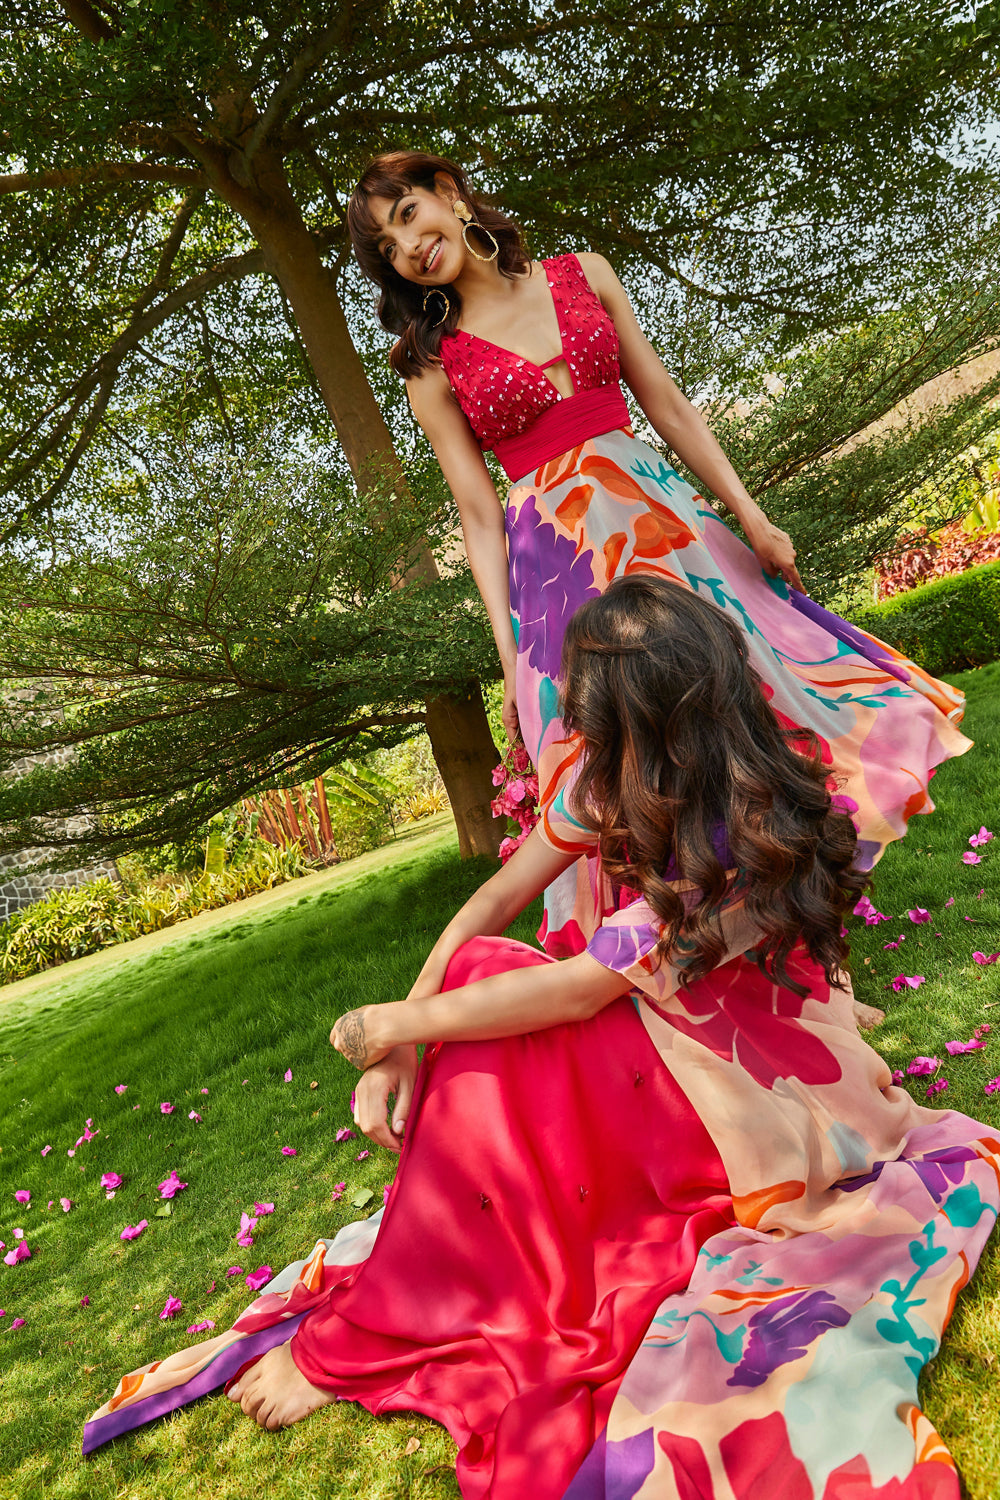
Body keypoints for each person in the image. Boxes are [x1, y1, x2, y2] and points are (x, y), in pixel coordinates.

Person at [85, 578, 999, 1500]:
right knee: (481, 967)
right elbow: (494, 897)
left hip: (741, 1102)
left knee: (497, 996)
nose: (579, 729)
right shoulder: (634, 780)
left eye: (595, 715)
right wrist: (405, 1030)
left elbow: (578, 991)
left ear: (645, 721)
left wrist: (385, 1025)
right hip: (689, 1043)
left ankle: (373, 1330)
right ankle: (427, 1263)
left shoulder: (729, 827)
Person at [345, 150, 969, 970]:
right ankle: (696, 948)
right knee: (631, 758)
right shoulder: (429, 362)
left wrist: (752, 516)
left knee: (744, 693)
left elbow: (667, 405)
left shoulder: (584, 274)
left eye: (408, 215)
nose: (410, 246)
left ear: (449, 197)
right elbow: (477, 514)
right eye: (388, 248)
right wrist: (508, 650)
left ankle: (803, 917)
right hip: (562, 566)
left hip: (667, 524)